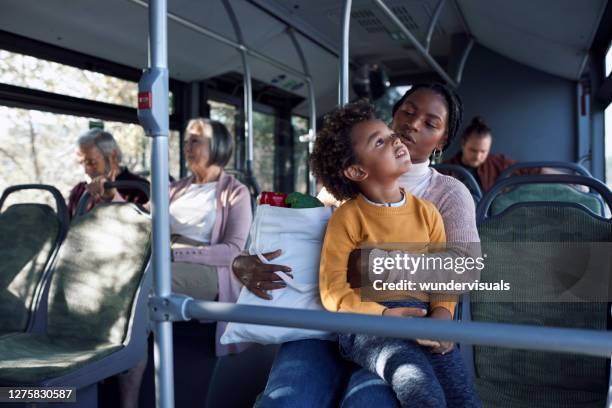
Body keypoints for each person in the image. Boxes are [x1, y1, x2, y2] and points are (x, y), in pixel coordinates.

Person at [233, 82, 481, 407]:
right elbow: (300, 243)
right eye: (407, 111)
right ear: (393, 115)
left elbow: (462, 272)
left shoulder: (446, 196)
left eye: (430, 123)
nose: (414, 123)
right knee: (286, 400)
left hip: (404, 324)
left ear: (442, 142)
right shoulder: (344, 190)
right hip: (329, 324)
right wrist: (242, 262)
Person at [68, 129, 149, 219]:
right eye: (82, 163)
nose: (86, 171)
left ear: (112, 156)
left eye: (91, 162)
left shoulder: (140, 189)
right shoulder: (79, 191)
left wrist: (112, 197)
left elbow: (141, 227)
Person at [445, 116, 538, 192]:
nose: (478, 157)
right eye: (473, 150)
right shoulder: (446, 169)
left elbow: (533, 170)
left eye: (483, 151)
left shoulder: (498, 163)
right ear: (463, 144)